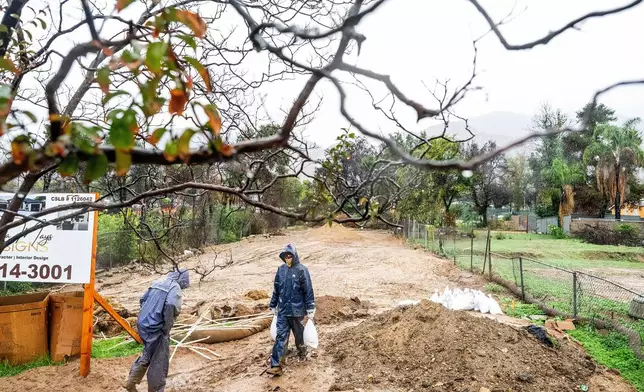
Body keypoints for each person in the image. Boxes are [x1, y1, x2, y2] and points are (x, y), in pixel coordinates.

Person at [123, 268, 190, 392]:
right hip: (156, 328)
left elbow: (142, 299)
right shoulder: (174, 288)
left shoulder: (158, 282)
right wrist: (166, 327)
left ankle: (131, 381)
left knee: (148, 353)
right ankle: (155, 390)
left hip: (143, 324)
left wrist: (147, 315)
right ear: (182, 279)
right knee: (159, 360)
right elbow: (170, 306)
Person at [267, 244, 315, 376]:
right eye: (285, 257)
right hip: (283, 311)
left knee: (299, 336)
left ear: (294, 256)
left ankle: (302, 351)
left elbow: (308, 290)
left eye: (290, 256)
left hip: (297, 311)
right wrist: (273, 305)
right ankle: (277, 365)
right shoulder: (281, 270)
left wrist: (310, 307)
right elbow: (276, 289)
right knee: (281, 337)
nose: (288, 258)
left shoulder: (302, 270)